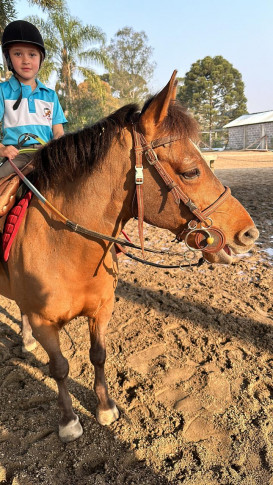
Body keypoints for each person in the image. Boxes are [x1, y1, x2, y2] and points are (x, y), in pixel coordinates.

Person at [0, 20, 67, 178]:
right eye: (18, 54)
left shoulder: (50, 95)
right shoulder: (2, 91)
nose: (26, 60)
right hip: (18, 155)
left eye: (32, 54)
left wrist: (57, 149)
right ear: (8, 59)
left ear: (40, 58)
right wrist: (3, 149)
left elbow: (58, 132)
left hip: (47, 155)